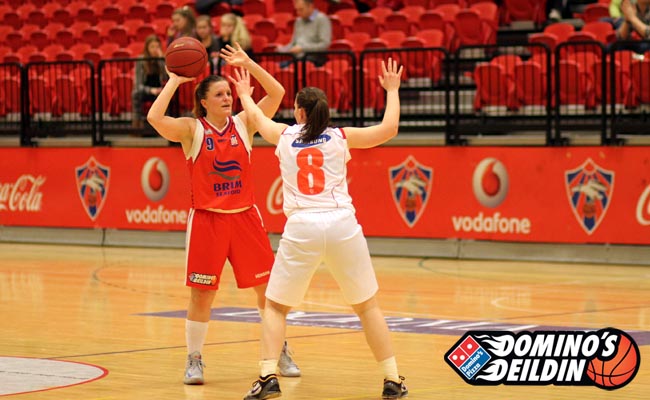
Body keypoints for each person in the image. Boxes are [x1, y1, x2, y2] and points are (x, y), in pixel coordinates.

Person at [228, 58, 408, 399]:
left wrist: (245, 94)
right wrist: (392, 91)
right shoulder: (341, 136)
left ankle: (267, 377)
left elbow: (256, 118)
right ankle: (392, 380)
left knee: (275, 307)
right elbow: (389, 129)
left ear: (298, 112)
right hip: (341, 224)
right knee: (367, 307)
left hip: (303, 226)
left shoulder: (285, 135)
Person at [146, 43, 301, 386]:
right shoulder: (191, 129)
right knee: (202, 295)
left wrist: (250, 63)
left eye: (229, 93)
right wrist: (174, 80)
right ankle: (194, 359)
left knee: (268, 292)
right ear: (203, 101)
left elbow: (277, 93)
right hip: (208, 220)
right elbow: (154, 118)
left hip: (245, 218)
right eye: (219, 94)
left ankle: (279, 350)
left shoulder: (245, 123)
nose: (227, 98)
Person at [278, 0, 332, 67]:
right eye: (297, 10)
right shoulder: (298, 21)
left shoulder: (322, 19)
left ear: (310, 6)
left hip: (314, 60)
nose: (298, 13)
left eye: (301, 9)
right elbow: (293, 43)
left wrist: (302, 48)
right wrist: (282, 49)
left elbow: (324, 45)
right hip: (298, 59)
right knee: (277, 67)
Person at [131, 35, 167, 130]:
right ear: (147, 48)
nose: (155, 49)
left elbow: (166, 77)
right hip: (145, 89)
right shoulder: (141, 60)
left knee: (166, 95)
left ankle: (164, 126)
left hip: (159, 90)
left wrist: (161, 60)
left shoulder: (162, 59)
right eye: (152, 47)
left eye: (157, 47)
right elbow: (138, 85)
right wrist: (151, 90)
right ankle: (137, 126)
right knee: (136, 94)